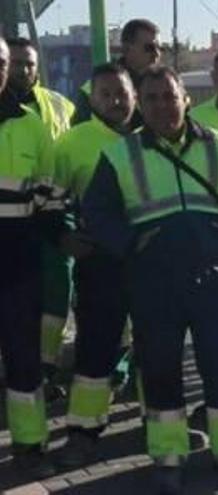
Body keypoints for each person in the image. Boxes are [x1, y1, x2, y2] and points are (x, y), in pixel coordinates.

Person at [81, 65, 218, 492]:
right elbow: (97, 213)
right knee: (161, 370)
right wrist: (132, 245)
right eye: (151, 99)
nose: (163, 106)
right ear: (140, 106)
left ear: (185, 98)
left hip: (216, 278)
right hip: (153, 281)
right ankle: (167, 457)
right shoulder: (119, 155)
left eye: (170, 96)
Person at [52, 63, 139, 467]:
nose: (115, 100)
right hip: (99, 262)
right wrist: (63, 235)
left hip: (150, 260)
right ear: (92, 98)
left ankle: (160, 427)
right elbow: (51, 200)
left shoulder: (152, 138)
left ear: (133, 95)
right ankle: (83, 432)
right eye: (105, 93)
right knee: (95, 347)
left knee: (157, 345)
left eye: (121, 92)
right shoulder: (72, 142)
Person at [0, 36, 66, 479]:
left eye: (0, 62)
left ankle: (28, 444)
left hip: (16, 262)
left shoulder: (30, 125)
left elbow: (49, 196)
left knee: (23, 358)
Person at [7, 36, 76, 393]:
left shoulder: (61, 106)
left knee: (55, 294)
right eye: (15, 63)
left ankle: (46, 366)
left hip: (50, 215)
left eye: (28, 63)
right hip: (11, 223)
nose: (22, 70)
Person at [72, 18, 161, 124]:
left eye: (160, 48)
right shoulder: (96, 87)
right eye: (149, 48)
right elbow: (81, 130)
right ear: (127, 49)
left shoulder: (163, 86)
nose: (156, 54)